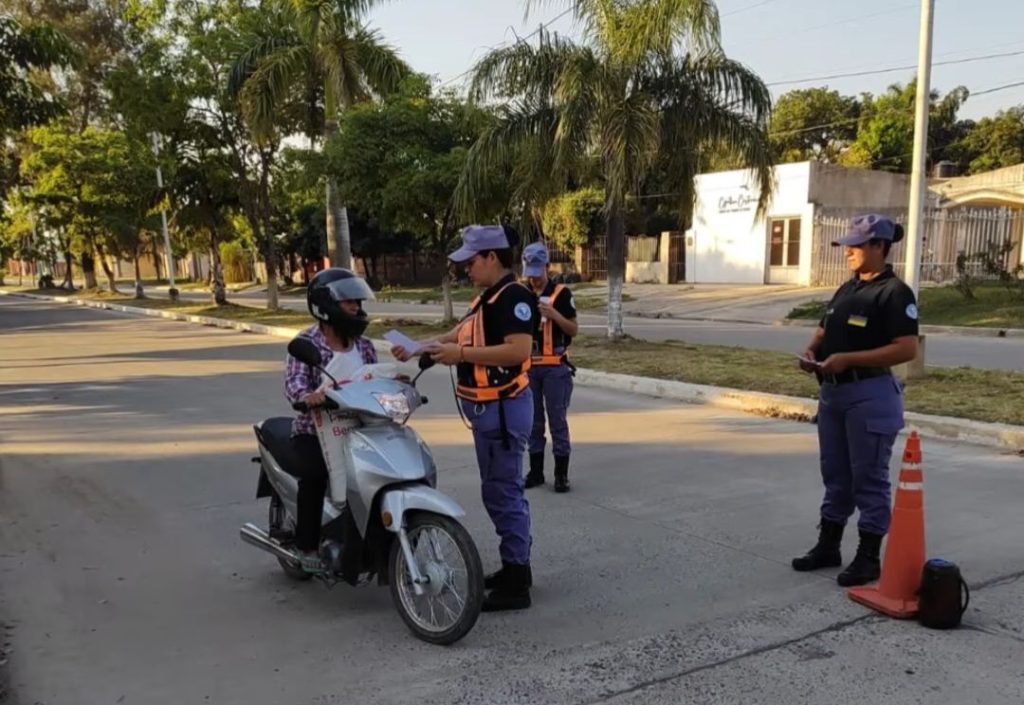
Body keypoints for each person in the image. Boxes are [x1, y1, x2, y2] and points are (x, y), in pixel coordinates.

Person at [392, 224, 537, 612]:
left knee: (504, 493)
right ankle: (513, 568)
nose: (466, 269)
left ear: (492, 257)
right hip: (489, 412)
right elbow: (461, 332)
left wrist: (461, 356)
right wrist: (420, 347)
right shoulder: (487, 298)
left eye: (471, 261)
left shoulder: (514, 297)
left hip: (504, 412)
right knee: (497, 491)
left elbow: (518, 351)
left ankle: (517, 582)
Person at [792, 214, 920, 587]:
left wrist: (848, 360)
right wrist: (812, 349)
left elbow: (906, 348)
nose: (848, 251)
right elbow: (824, 326)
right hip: (833, 394)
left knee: (869, 477)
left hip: (870, 395)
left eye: (857, 245)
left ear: (879, 246)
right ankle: (829, 545)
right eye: (846, 245)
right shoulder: (847, 289)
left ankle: (868, 557)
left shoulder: (895, 292)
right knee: (836, 474)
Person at [284, 267, 378, 573]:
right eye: (348, 302)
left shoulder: (364, 345)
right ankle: (307, 546)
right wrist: (307, 397)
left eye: (357, 302)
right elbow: (295, 384)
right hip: (314, 430)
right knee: (314, 474)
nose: (356, 308)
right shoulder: (307, 343)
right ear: (325, 305)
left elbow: (373, 378)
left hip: (358, 427)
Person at [521, 242, 579, 492]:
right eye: (529, 273)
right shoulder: (522, 294)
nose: (533, 278)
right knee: (532, 422)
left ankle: (561, 475)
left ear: (547, 267)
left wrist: (554, 314)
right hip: (529, 367)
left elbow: (573, 330)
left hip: (555, 368)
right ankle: (535, 472)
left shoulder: (562, 294)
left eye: (537, 272)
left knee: (557, 420)